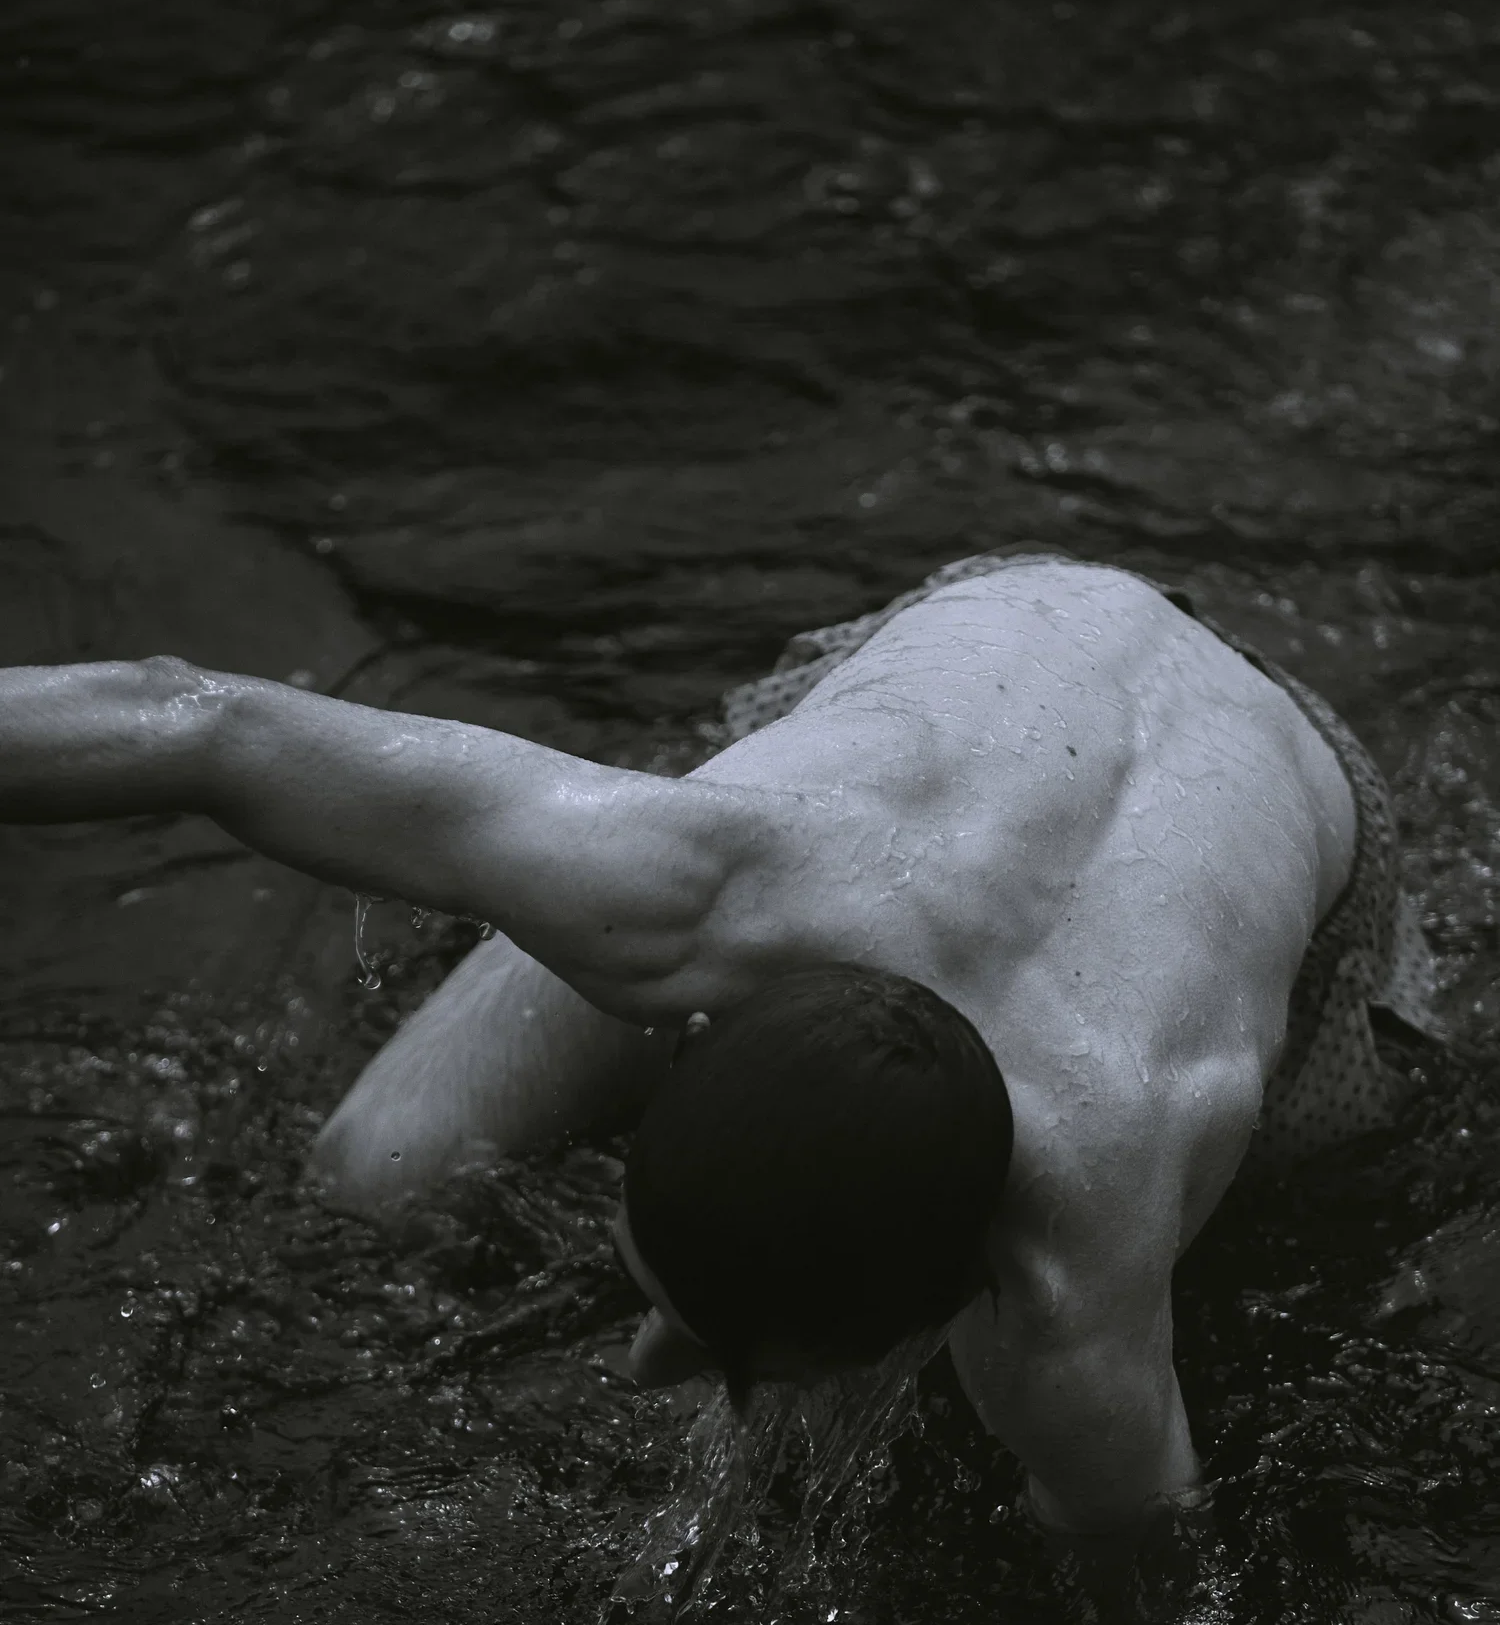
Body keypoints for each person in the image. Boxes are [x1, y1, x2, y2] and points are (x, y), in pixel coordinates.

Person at [0, 552, 1443, 1562]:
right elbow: (207, 721)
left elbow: (1148, 1585)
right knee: (369, 1175)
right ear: (687, 1032)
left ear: (962, 1290)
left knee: (1312, 1208)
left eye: (709, 1348)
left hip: (1301, 827)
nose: (643, 1367)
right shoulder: (675, 886)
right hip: (1019, 632)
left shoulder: (1086, 1288)